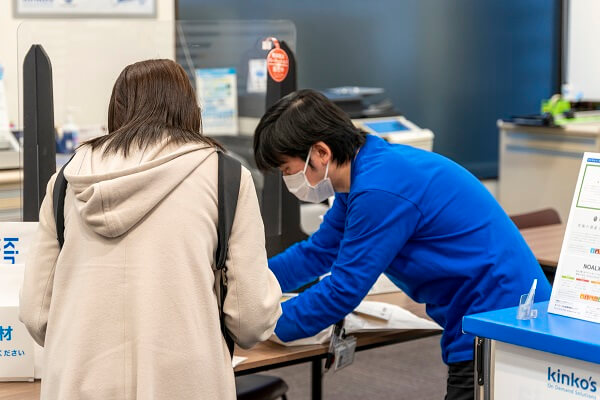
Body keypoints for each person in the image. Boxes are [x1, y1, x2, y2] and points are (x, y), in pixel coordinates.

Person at [253, 89, 551, 400]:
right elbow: (317, 253)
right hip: (489, 311)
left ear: (321, 153)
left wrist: (259, 326)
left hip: (499, 317)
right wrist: (245, 285)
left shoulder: (379, 189)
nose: (288, 180)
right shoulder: (363, 175)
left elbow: (343, 291)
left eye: (287, 170)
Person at [19, 59, 282, 400]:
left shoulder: (65, 183)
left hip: (79, 380)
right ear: (190, 109)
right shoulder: (225, 178)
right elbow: (250, 319)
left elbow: (35, 314)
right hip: (186, 382)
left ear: (116, 111)